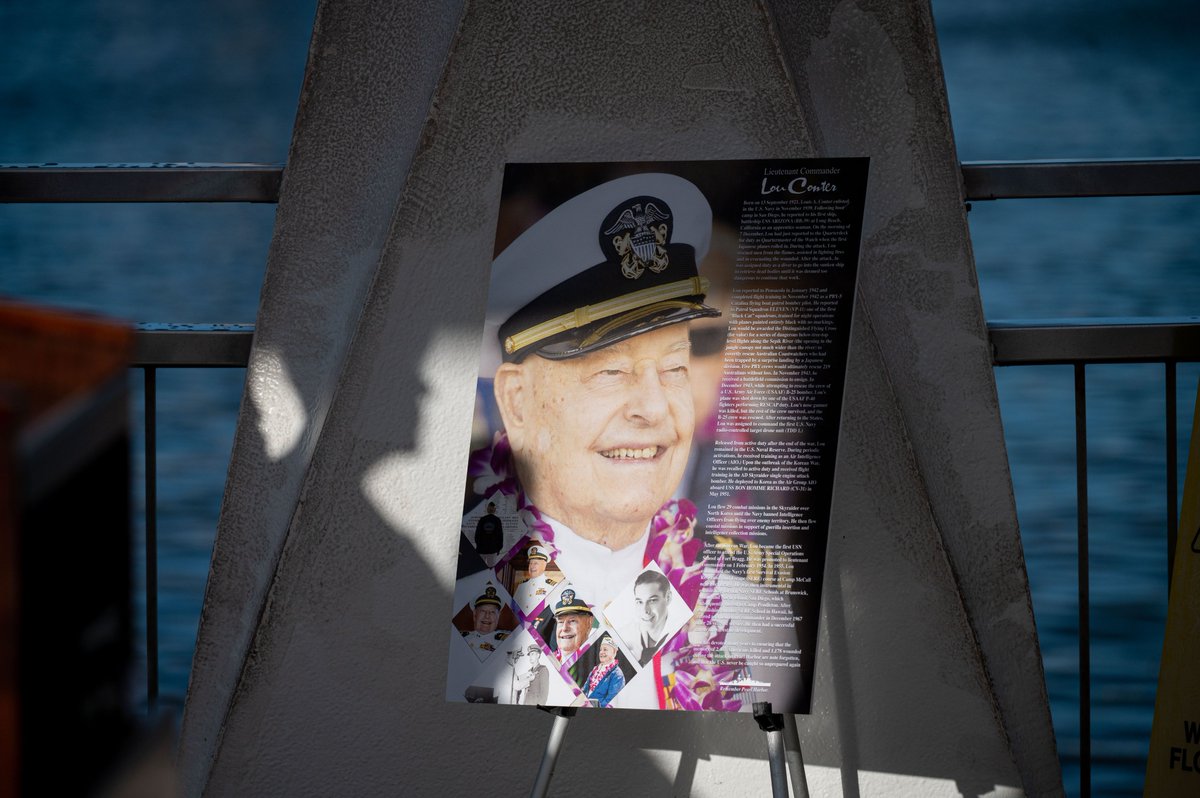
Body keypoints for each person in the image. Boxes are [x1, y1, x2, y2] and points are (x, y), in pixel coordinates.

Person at [619, 570, 674, 667]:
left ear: (668, 598)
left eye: (652, 600)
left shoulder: (680, 634)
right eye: (640, 602)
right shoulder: (629, 631)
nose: (645, 610)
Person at [460, 584, 510, 661]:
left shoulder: (508, 640)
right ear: (475, 614)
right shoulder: (461, 638)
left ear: (498, 616)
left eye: (492, 612)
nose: (487, 616)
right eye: (483, 611)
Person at [512, 544, 558, 614]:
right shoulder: (521, 586)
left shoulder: (553, 587)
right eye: (530, 563)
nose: (532, 566)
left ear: (544, 565)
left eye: (536, 563)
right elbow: (513, 610)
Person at [551, 589, 593, 664]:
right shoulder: (550, 660)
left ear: (589, 623)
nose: (564, 628)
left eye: (572, 621)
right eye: (560, 622)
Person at [583, 635, 625, 708]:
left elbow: (611, 701)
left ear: (614, 652)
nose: (601, 652)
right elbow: (584, 690)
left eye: (605, 649)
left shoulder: (617, 675)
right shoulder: (595, 670)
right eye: (600, 649)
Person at [473, 501, 504, 567]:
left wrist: (479, 546)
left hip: (482, 549)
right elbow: (500, 536)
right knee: (491, 568)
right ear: (494, 510)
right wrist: (498, 548)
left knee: (480, 568)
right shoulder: (497, 520)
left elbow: (477, 535)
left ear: (487, 509)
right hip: (492, 549)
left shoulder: (482, 519)